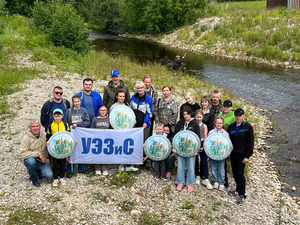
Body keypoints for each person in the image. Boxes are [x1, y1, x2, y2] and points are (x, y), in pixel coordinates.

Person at [228, 108, 254, 204]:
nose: (238, 117)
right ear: (234, 116)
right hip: (233, 154)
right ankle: (237, 189)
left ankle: (242, 194)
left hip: (242, 155)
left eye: (240, 115)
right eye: (236, 115)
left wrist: (247, 156)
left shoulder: (248, 127)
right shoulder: (231, 127)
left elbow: (250, 143)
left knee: (240, 174)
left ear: (243, 116)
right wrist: (227, 154)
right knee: (235, 173)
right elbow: (228, 141)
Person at [77, 78, 103, 173]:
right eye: (86, 84)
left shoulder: (97, 95)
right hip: (83, 125)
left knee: (96, 143)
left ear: (92, 85)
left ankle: (96, 163)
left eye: (89, 84)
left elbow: (101, 108)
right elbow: (75, 111)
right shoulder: (79, 96)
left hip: (95, 123)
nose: (88, 86)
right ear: (83, 85)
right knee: (84, 145)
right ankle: (82, 167)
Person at [173, 106, 200, 192]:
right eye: (184, 114)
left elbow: (197, 138)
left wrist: (197, 150)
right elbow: (175, 136)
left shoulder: (195, 124)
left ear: (190, 114)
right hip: (180, 149)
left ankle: (190, 183)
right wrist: (174, 147)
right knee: (180, 165)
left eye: (187, 114)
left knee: (191, 166)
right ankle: (180, 182)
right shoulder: (179, 123)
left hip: (191, 149)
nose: (185, 116)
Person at [20, 119, 53, 187]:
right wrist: (37, 154)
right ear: (30, 127)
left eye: (37, 126)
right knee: (30, 162)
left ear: (40, 127)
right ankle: (33, 178)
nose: (35, 128)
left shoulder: (45, 135)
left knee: (49, 176)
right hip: (33, 159)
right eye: (33, 126)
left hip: (43, 161)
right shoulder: (26, 138)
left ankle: (37, 172)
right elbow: (23, 153)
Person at [64, 95, 90, 178]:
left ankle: (83, 168)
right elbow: (65, 122)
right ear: (73, 102)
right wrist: (70, 127)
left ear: (80, 101)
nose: (77, 103)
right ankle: (70, 170)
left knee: (82, 149)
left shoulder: (84, 110)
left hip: (81, 134)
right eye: (75, 102)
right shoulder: (69, 111)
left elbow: (87, 122)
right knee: (71, 150)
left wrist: (78, 124)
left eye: (78, 101)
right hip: (72, 134)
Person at [46, 109, 70, 187]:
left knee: (63, 163)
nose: (57, 118)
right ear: (53, 116)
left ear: (62, 116)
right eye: (55, 116)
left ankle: (62, 177)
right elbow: (48, 136)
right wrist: (47, 142)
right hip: (54, 148)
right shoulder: (50, 126)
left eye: (59, 116)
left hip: (63, 148)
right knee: (55, 163)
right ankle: (55, 178)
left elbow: (69, 136)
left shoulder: (65, 125)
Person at [207, 117, 230, 192]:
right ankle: (215, 181)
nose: (219, 124)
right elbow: (208, 142)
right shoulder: (211, 132)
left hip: (221, 154)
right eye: (217, 123)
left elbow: (227, 144)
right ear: (215, 123)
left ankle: (221, 182)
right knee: (213, 167)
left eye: (220, 123)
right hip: (213, 153)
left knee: (221, 168)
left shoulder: (225, 133)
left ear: (223, 124)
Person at [218, 100, 235, 188]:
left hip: (228, 139)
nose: (226, 108)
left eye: (228, 106)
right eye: (224, 106)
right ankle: (221, 180)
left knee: (225, 161)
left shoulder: (233, 116)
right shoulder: (220, 115)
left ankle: (225, 181)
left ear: (231, 107)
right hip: (219, 140)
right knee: (221, 160)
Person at [194, 110, 212, 189]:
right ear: (195, 117)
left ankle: (205, 177)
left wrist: (204, 145)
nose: (199, 119)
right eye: (197, 117)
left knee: (203, 160)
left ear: (202, 117)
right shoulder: (194, 125)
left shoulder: (204, 126)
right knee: (195, 159)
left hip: (202, 142)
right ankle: (197, 175)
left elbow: (205, 135)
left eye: (200, 117)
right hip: (195, 143)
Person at [90, 105, 110, 176]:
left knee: (105, 154)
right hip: (97, 139)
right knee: (97, 153)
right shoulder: (95, 119)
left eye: (104, 110)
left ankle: (104, 168)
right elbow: (91, 129)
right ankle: (97, 168)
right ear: (98, 111)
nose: (103, 111)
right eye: (101, 110)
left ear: (106, 111)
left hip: (106, 140)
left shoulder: (108, 119)